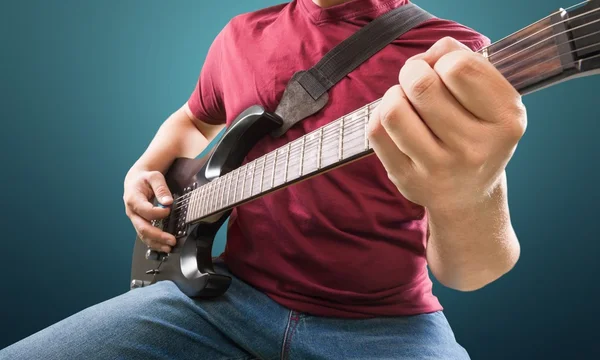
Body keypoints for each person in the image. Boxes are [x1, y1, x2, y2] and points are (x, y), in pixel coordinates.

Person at [1, 0, 526, 359]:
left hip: (386, 328)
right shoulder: (240, 34)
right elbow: (193, 118)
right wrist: (144, 169)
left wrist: (470, 195)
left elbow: (470, 273)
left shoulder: (452, 55)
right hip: (220, 302)